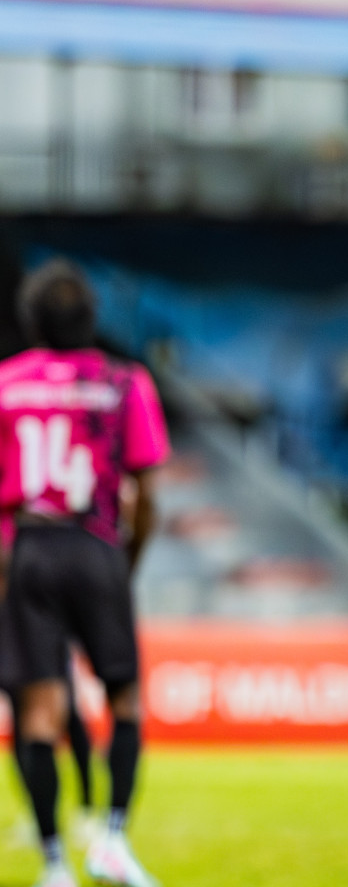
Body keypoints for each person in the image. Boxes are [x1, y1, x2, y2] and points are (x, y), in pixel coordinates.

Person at [0, 260, 169, 887]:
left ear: (31, 319)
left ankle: (52, 864)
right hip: (96, 545)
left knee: (35, 712)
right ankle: (114, 840)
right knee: (124, 697)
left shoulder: (6, 384)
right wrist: (127, 560)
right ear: (91, 319)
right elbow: (147, 490)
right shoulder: (124, 383)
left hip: (30, 547)